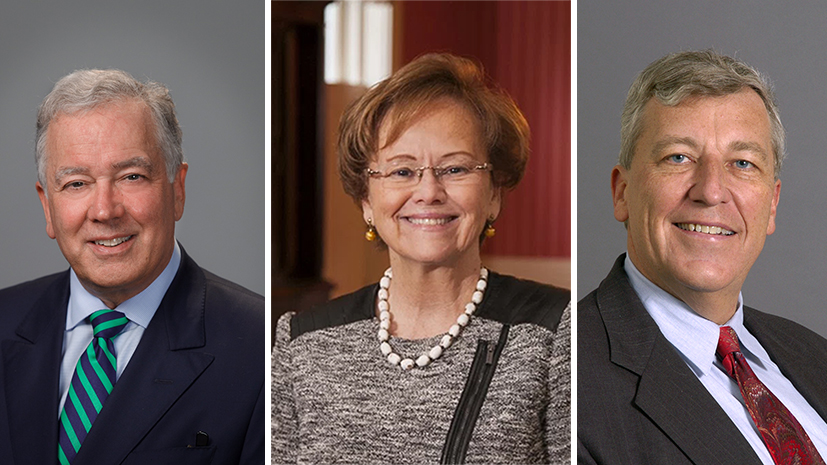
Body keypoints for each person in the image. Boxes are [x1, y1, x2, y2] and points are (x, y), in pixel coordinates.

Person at [272, 53, 570, 464]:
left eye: (455, 169)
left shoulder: (557, 334)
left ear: (494, 194)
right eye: (401, 171)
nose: (428, 191)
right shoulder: (302, 344)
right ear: (366, 201)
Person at [0, 69, 264, 464]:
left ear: (177, 189)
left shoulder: (258, 346)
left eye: (132, 176)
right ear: (47, 206)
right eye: (76, 183)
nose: (105, 210)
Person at [578, 50, 827, 464]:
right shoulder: (577, 385)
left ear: (771, 206)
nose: (711, 191)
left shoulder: (814, 356)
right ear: (622, 192)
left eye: (742, 163)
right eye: (679, 157)